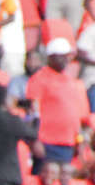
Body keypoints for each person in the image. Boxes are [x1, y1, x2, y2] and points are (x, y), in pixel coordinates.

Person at [26, 38, 90, 167]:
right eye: (61, 56)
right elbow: (33, 111)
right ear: (51, 57)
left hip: (68, 143)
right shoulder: (39, 78)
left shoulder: (71, 81)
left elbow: (78, 117)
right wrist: (34, 140)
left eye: (67, 56)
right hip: (46, 142)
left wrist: (80, 139)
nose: (65, 60)